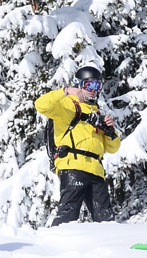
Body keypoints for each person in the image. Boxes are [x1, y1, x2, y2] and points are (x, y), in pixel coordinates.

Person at [36, 65, 122, 225]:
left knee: (105, 217)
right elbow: (41, 105)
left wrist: (109, 131)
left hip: (96, 170)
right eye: (89, 85)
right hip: (73, 165)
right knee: (69, 212)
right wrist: (65, 91)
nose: (93, 90)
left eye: (98, 85)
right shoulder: (68, 106)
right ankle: (57, 242)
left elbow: (113, 147)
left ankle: (109, 245)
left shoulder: (97, 114)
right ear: (80, 85)